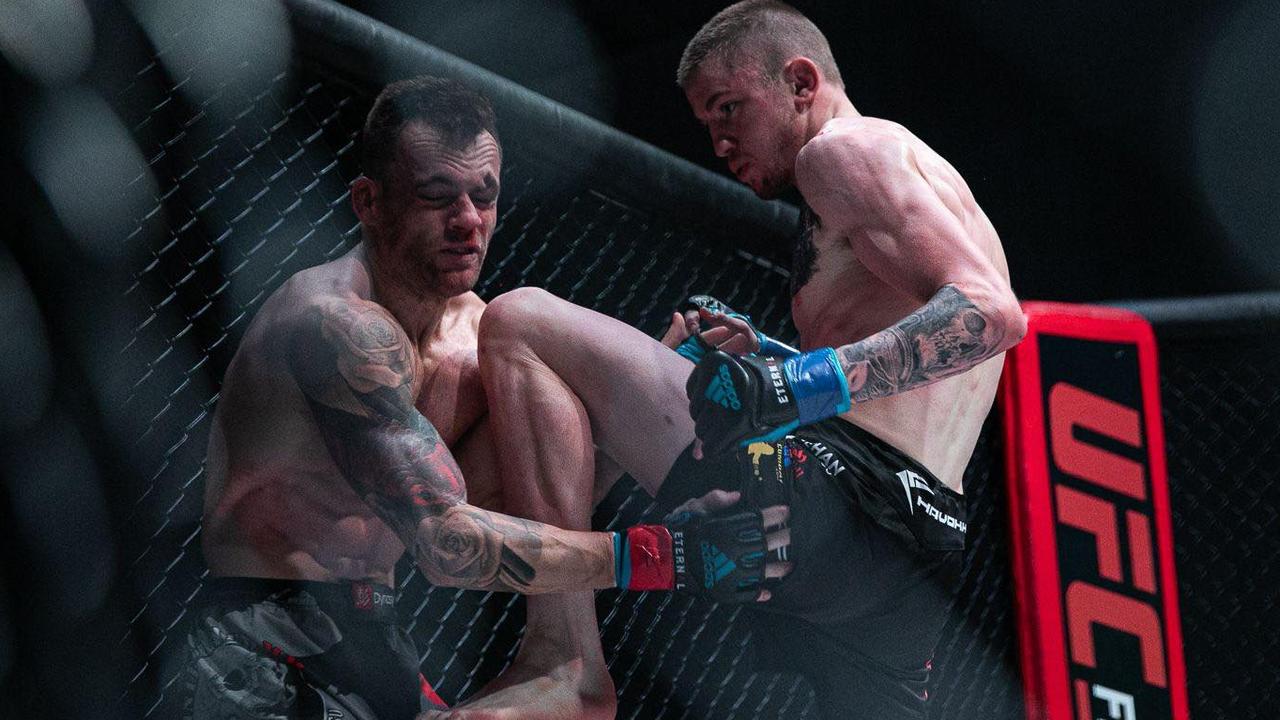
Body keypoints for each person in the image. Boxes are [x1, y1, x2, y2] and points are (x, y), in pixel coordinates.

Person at [463, 2, 1027, 718]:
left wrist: (789, 383)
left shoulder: (841, 151)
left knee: (522, 321)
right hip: (922, 548)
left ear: (799, 81)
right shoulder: (935, 184)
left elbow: (990, 316)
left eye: (730, 109)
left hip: (837, 497)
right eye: (707, 124)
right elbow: (921, 360)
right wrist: (773, 356)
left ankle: (562, 661)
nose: (721, 143)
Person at [186, 75, 790, 720]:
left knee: (533, 340)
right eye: (436, 196)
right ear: (368, 201)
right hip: (266, 636)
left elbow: (532, 507)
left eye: (484, 195)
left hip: (380, 634)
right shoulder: (333, 326)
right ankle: (567, 668)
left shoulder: (485, 343)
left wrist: (658, 389)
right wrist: (668, 557)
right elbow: (449, 545)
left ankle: (568, 663)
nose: (467, 221)